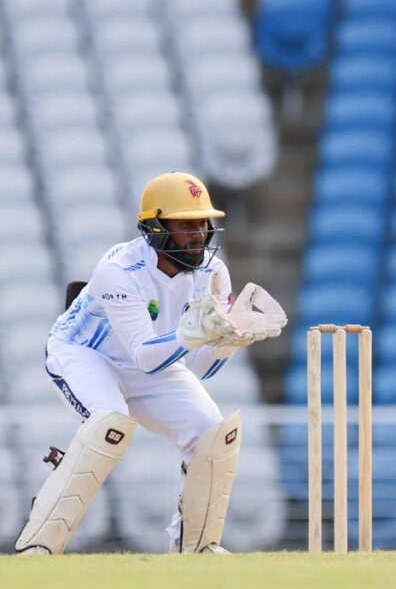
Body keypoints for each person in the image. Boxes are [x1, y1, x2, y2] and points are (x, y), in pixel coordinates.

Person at [15, 172, 287, 555]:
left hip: (156, 360)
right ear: (156, 228)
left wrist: (229, 341)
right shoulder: (119, 270)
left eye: (202, 223)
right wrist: (192, 335)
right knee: (108, 421)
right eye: (185, 224)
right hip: (86, 353)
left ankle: (193, 547)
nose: (198, 234)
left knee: (211, 432)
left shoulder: (214, 273)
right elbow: (143, 353)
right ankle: (39, 544)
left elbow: (200, 367)